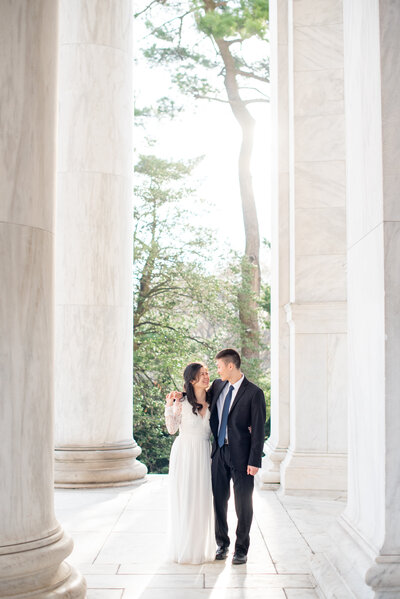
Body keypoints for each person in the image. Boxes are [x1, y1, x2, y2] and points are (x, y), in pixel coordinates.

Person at [209, 348, 266, 565]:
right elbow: (199, 397)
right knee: (219, 500)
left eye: (220, 366)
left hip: (242, 456)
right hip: (219, 452)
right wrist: (181, 395)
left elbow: (258, 430)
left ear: (230, 366)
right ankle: (222, 544)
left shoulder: (254, 393)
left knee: (243, 503)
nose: (218, 370)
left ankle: (241, 549)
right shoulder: (218, 385)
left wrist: (255, 460)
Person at [164, 362, 215, 564]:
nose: (206, 377)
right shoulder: (181, 403)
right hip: (184, 453)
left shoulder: (214, 402)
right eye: (201, 374)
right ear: (192, 379)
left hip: (204, 452)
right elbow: (171, 429)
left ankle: (200, 547)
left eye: (207, 373)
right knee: (185, 497)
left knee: (202, 498)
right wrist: (169, 405)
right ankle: (183, 546)